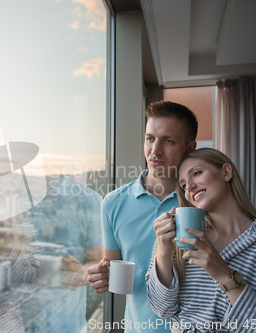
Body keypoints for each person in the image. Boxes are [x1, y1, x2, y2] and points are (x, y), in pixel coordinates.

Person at [146, 148, 256, 332]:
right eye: (184, 185)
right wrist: (163, 252)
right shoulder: (182, 241)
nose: (190, 187)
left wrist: (226, 276)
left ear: (226, 172)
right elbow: (162, 309)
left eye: (196, 173)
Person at [87, 101, 198, 332]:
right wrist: (102, 276)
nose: (155, 150)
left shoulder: (200, 200)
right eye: (150, 138)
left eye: (168, 140)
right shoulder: (113, 203)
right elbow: (113, 266)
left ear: (189, 148)